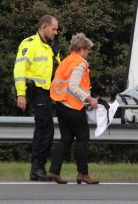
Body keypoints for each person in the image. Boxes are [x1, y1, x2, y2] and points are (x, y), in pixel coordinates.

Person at [47, 32, 99, 184]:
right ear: (82, 48)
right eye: (87, 49)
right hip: (73, 106)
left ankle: (54, 171)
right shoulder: (80, 63)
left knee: (66, 139)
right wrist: (90, 99)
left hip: (61, 105)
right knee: (83, 139)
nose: (88, 53)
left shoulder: (67, 60)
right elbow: (73, 86)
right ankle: (82, 173)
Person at [14, 14, 60, 181]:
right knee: (46, 128)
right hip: (36, 92)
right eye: (54, 29)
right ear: (44, 28)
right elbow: (19, 70)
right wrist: (21, 94)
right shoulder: (30, 44)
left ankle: (37, 168)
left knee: (42, 129)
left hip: (47, 93)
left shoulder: (51, 47)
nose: (56, 32)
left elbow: (59, 71)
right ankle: (38, 167)